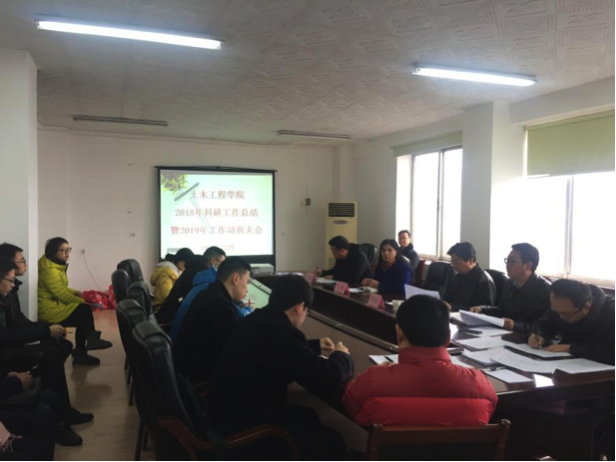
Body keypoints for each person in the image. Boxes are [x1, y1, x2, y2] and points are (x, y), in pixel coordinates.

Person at [210, 275, 354, 461]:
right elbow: (329, 376)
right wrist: (342, 355)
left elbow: (278, 351)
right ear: (300, 307)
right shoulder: (282, 333)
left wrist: (313, 345)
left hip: (227, 410)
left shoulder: (258, 318)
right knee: (333, 441)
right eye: (307, 311)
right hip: (246, 427)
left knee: (309, 415)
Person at [344, 296, 498, 428]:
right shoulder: (480, 383)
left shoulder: (374, 380)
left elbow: (352, 406)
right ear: (448, 338)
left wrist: (381, 374)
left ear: (399, 334)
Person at [0, 258, 88, 446]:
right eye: (10, 280)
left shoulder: (8, 295)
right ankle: (61, 420)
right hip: (7, 357)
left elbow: (18, 323)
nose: (13, 284)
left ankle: (63, 414)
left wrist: (45, 329)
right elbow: (7, 336)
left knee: (55, 348)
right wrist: (45, 330)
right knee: (51, 356)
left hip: (9, 353)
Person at [173, 257, 251, 381]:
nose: (247, 289)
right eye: (247, 282)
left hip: (185, 368)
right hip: (198, 378)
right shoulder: (221, 305)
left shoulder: (209, 293)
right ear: (235, 278)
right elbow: (238, 348)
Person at [38, 238, 112, 366]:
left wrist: (75, 292)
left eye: (68, 249)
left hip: (55, 305)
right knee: (83, 311)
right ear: (53, 252)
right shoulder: (49, 271)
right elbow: (60, 294)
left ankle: (84, 348)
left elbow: (60, 288)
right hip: (49, 311)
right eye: (63, 250)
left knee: (83, 315)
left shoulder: (54, 265)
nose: (67, 253)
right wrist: (82, 301)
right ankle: (86, 346)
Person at [529, 279, 614, 365]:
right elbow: (546, 323)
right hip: (564, 363)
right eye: (556, 311)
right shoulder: (561, 307)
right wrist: (538, 335)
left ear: (587, 306)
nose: (561, 317)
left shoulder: (611, 312)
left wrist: (571, 348)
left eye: (566, 314)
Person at [470, 243, 550, 333]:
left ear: (528, 266)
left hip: (528, 338)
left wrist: (515, 325)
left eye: (513, 261)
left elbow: (545, 328)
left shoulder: (545, 291)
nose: (508, 265)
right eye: (507, 260)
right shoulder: (510, 283)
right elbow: (502, 310)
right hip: (506, 334)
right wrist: (482, 309)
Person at [169, 247, 231, 341]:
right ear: (213, 261)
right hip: (183, 339)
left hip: (178, 333)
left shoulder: (198, 273)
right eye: (222, 263)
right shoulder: (208, 281)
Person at [443, 242, 496, 312]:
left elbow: (479, 310)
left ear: (470, 261)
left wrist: (453, 307)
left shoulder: (484, 281)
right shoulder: (458, 276)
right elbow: (448, 299)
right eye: (452, 263)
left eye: (457, 262)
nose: (454, 266)